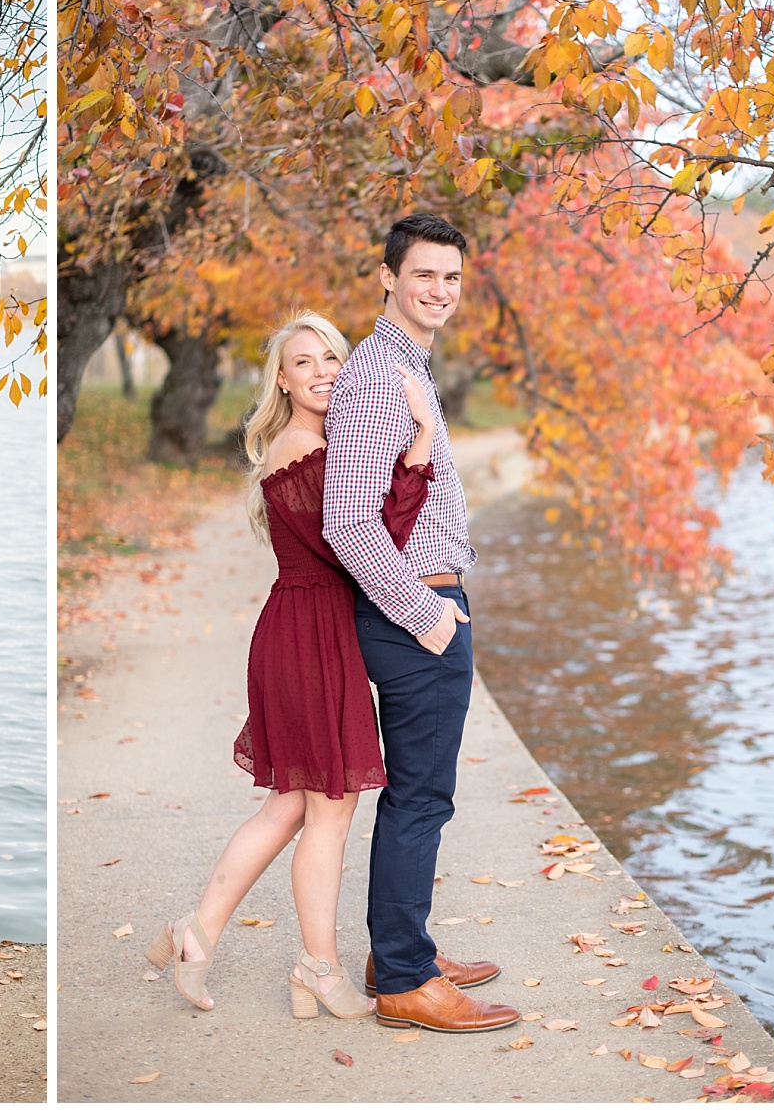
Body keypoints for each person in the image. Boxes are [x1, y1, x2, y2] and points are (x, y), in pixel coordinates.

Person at [146, 310, 442, 1020]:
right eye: (304, 362)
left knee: (292, 803)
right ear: (281, 378)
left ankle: (196, 933)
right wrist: (422, 445)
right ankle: (318, 966)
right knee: (330, 808)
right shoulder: (300, 446)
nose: (322, 372)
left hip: (309, 631)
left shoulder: (321, 443)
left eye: (333, 358)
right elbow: (364, 545)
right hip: (307, 637)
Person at [322, 212, 520, 1034]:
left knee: (418, 796)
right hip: (416, 614)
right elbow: (347, 519)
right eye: (424, 274)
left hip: (427, 603)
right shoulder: (378, 374)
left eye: (451, 278)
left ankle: (399, 949)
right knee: (421, 798)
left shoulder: (407, 365)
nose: (439, 290)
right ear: (387, 275)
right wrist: (428, 616)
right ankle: (403, 977)